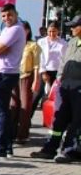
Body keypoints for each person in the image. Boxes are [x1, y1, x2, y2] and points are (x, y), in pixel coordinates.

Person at [30, 15, 81, 163]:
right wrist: (59, 80)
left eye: (74, 26)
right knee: (58, 120)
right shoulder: (72, 42)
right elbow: (63, 63)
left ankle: (70, 150)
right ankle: (49, 149)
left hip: (79, 89)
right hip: (65, 87)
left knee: (77, 121)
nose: (71, 28)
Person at [0, 3, 27, 158]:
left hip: (5, 73)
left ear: (16, 14)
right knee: (4, 112)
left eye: (9, 15)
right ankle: (7, 147)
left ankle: (1, 147)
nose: (6, 18)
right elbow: (0, 49)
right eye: (3, 16)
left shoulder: (15, 29)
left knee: (0, 112)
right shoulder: (10, 29)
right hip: (5, 73)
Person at [33, 21, 67, 116]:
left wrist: (61, 75)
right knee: (38, 94)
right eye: (50, 31)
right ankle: (27, 118)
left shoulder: (63, 43)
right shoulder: (41, 42)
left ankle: (52, 118)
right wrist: (43, 72)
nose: (52, 34)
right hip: (44, 70)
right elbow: (40, 57)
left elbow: (63, 59)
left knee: (56, 96)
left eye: (54, 31)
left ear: (58, 31)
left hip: (57, 72)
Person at [15, 22, 40, 143]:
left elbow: (36, 65)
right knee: (13, 105)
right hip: (14, 76)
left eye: (23, 29)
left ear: (28, 31)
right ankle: (12, 131)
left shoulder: (33, 45)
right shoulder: (14, 44)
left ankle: (23, 134)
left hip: (26, 76)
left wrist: (36, 80)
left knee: (25, 106)